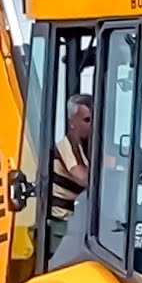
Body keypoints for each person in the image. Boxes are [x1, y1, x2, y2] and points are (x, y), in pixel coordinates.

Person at [48, 93, 93, 253]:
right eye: (87, 120)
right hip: (62, 225)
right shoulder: (65, 146)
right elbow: (83, 178)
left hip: (76, 221)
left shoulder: (85, 147)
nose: (92, 125)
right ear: (72, 121)